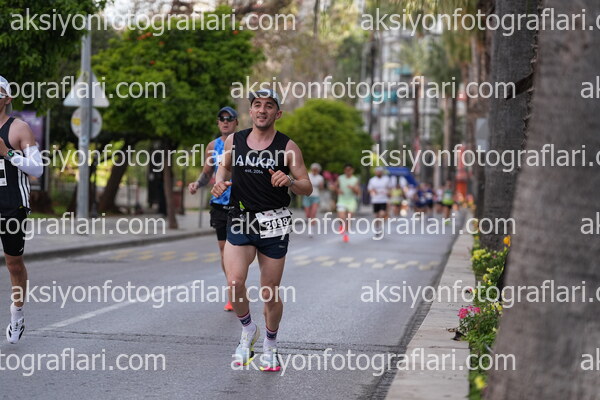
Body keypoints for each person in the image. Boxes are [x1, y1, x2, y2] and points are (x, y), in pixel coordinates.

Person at [210, 89, 312, 372]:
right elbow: (224, 167)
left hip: (273, 223)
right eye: (257, 105)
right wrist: (219, 182)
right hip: (240, 219)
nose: (262, 110)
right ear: (251, 111)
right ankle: (247, 330)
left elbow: (307, 186)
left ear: (277, 113)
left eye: (269, 106)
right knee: (234, 282)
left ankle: (270, 344)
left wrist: (290, 181)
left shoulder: (288, 147)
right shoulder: (234, 140)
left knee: (269, 291)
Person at [0, 76, 43, 343]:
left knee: (13, 264)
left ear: (7, 98)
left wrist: (7, 152)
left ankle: (17, 314)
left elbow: (37, 169)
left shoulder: (19, 128)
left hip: (12, 204)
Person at [189, 106, 239, 312]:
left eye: (229, 118)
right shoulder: (212, 146)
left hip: (240, 203)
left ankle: (238, 284)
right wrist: (197, 184)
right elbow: (207, 172)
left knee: (237, 249)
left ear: (236, 122)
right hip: (219, 203)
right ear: (218, 122)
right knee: (223, 249)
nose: (225, 122)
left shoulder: (244, 142)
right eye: (221, 118)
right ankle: (232, 291)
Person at [333, 164, 360, 243]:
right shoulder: (340, 178)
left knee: (349, 218)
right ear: (344, 170)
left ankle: (346, 234)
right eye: (346, 170)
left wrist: (353, 188)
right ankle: (342, 226)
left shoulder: (355, 179)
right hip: (342, 200)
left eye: (349, 170)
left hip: (351, 201)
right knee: (341, 217)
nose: (348, 171)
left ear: (352, 170)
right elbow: (335, 186)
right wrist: (338, 190)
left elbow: (358, 192)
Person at [367, 166, 392, 237]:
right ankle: (377, 228)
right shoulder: (372, 180)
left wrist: (389, 193)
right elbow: (369, 189)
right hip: (375, 200)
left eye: (380, 171)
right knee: (376, 216)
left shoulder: (386, 179)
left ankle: (380, 226)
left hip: (384, 200)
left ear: (382, 172)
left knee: (382, 214)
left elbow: (390, 188)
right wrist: (373, 191)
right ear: (375, 172)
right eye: (377, 171)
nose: (378, 173)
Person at [303, 163, 324, 237]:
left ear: (318, 170)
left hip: (315, 196)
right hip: (307, 196)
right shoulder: (308, 175)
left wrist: (321, 185)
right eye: (314, 169)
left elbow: (321, 188)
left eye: (316, 169)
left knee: (313, 213)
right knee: (308, 214)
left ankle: (310, 230)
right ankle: (311, 221)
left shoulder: (320, 178)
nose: (315, 170)